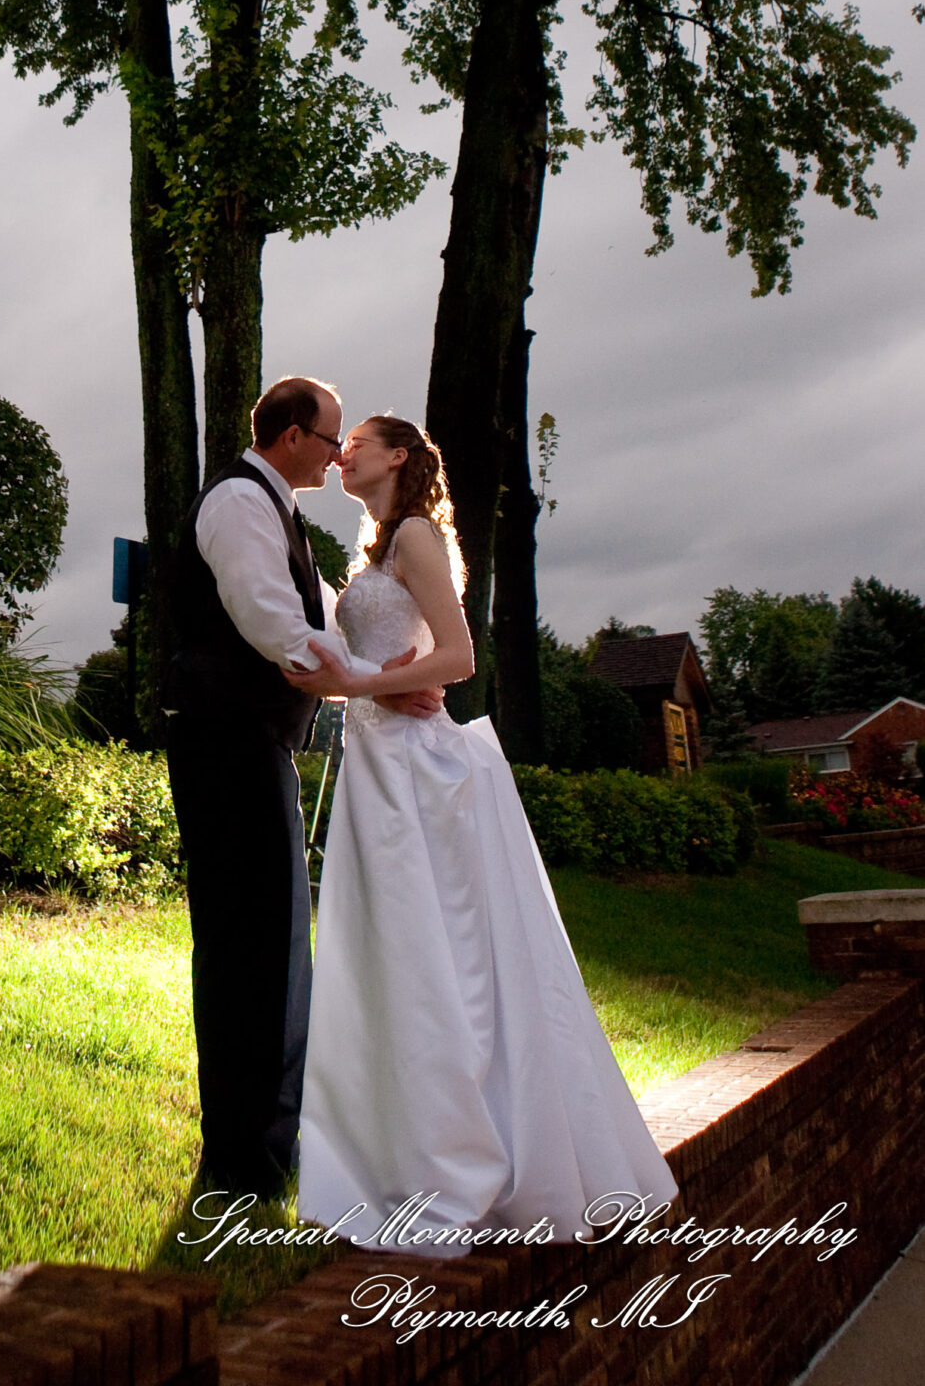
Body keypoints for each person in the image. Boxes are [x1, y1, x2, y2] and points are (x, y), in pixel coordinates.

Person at [286, 413, 676, 1257]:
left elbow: (459, 658)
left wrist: (368, 683)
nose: (340, 450)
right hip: (378, 763)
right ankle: (401, 1141)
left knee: (444, 958)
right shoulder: (374, 552)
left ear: (397, 456)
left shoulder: (418, 535)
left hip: (419, 771)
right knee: (394, 956)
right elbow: (396, 658)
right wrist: (359, 682)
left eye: (355, 442)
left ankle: (467, 1152)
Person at [163, 376, 440, 1200]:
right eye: (329, 441)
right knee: (248, 945)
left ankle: (269, 1142)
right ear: (291, 436)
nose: (334, 454)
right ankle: (245, 1159)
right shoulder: (239, 505)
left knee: (274, 941)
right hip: (222, 742)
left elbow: (318, 610)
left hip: (251, 745)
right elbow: (274, 625)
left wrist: (383, 668)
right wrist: (372, 685)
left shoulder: (275, 509)